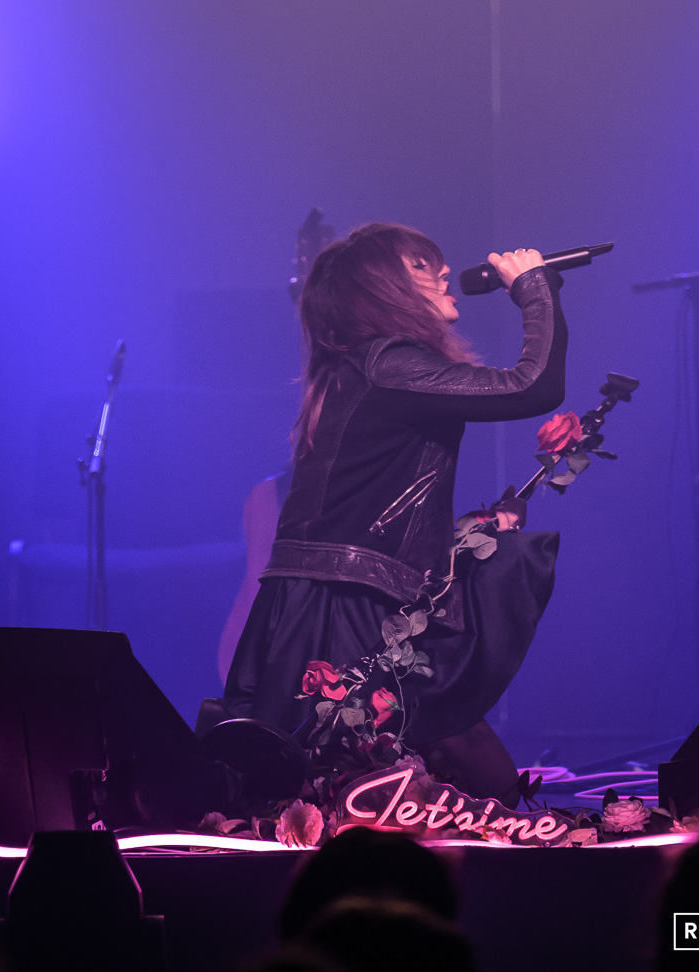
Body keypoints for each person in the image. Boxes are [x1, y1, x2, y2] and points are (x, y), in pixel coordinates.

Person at [223, 222, 567, 804]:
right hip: (346, 598)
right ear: (380, 287)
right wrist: (535, 287)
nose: (443, 271)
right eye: (420, 265)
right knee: (351, 773)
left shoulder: (369, 367)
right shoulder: (389, 363)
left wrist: (475, 531)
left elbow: (375, 504)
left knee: (421, 748)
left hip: (354, 589)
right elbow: (530, 386)